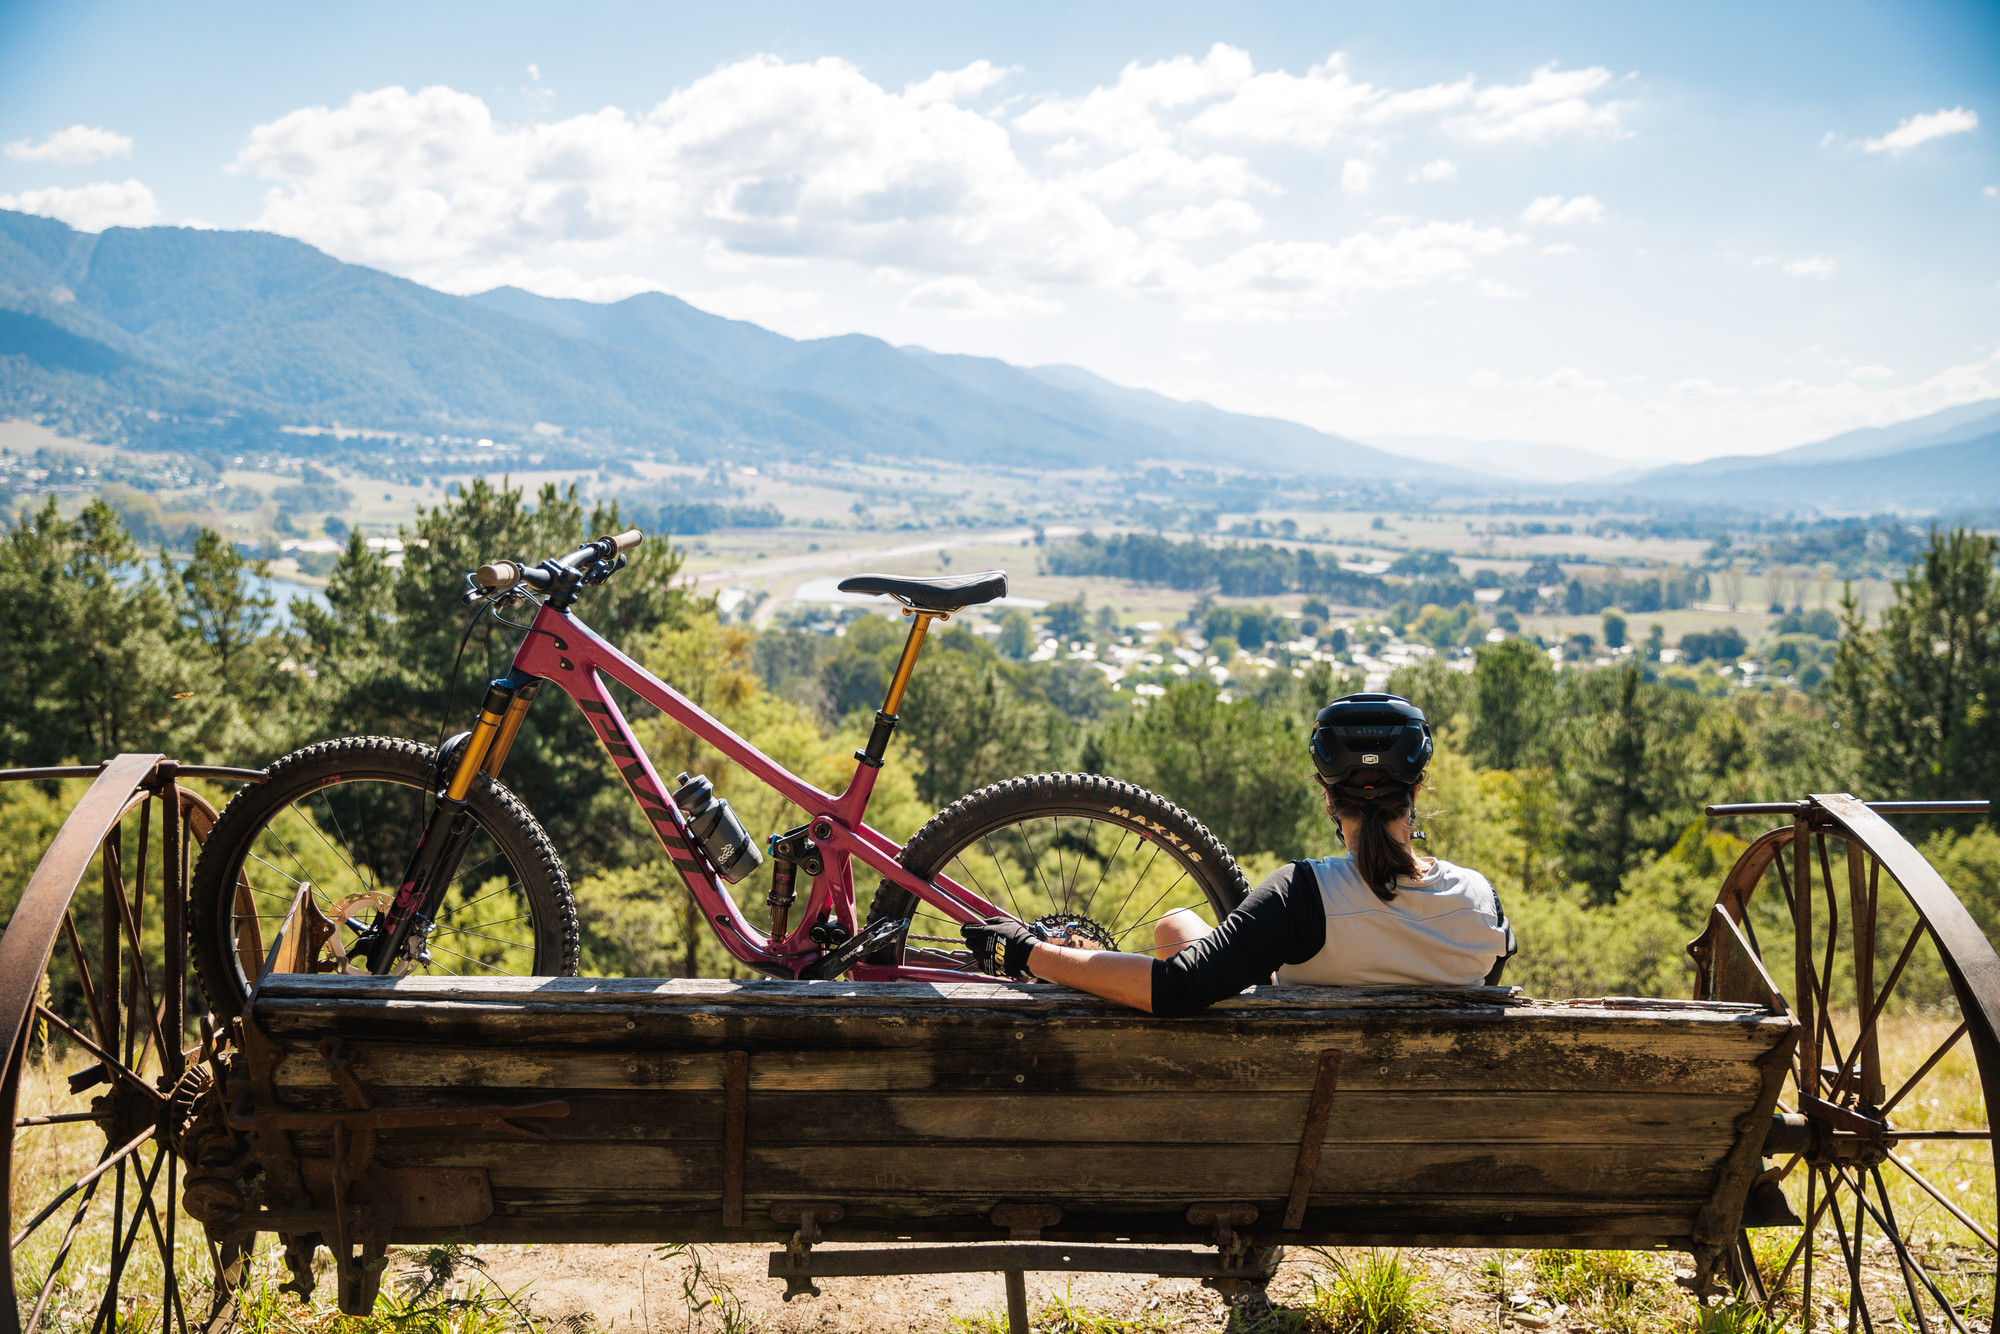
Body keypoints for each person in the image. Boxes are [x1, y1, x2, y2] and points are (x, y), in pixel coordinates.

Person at [962, 692, 1516, 1014]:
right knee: (1183, 929)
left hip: (1296, 1129)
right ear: (1417, 792)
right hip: (1434, 1151)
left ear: (1326, 795)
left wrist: (1028, 953)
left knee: (1177, 929)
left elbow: (1176, 988)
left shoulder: (1303, 896)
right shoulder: (1480, 904)